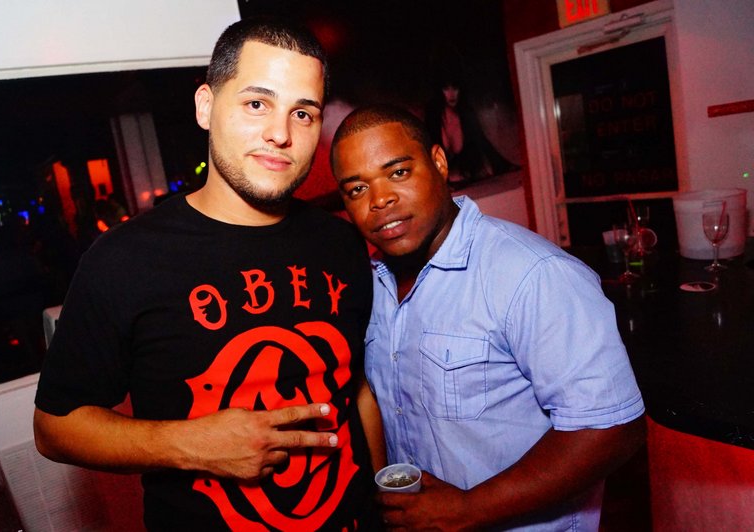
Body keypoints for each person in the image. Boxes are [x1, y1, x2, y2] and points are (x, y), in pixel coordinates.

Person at [34, 18, 385, 530]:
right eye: (257, 103)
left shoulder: (340, 242)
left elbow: (357, 388)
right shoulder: (125, 260)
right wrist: (192, 444)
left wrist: (384, 501)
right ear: (205, 106)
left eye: (302, 113)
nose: (280, 134)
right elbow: (54, 428)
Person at [330, 104, 646, 531]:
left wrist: (466, 509)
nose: (379, 200)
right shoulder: (369, 285)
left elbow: (612, 429)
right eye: (356, 189)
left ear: (439, 162)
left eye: (398, 172)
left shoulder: (533, 274)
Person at [425, 73, 520, 189]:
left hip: (465, 176)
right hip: (443, 181)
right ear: (440, 91)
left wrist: (503, 166)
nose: (451, 94)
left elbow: (483, 142)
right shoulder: (433, 117)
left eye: (455, 88)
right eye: (446, 89)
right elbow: (427, 153)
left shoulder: (466, 114)